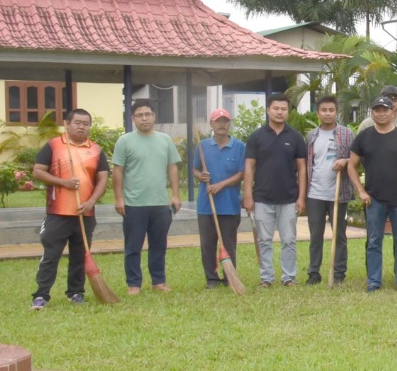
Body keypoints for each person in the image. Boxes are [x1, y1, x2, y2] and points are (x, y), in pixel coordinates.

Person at [28, 107, 109, 308]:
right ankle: (41, 295)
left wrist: (91, 202)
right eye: (77, 123)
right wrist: (62, 182)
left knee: (80, 255)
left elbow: (102, 180)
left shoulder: (96, 150)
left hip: (85, 212)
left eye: (86, 124)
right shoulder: (54, 146)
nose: (82, 127)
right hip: (58, 213)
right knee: (51, 255)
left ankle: (75, 293)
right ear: (67, 124)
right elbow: (38, 171)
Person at [347, 93, 397, 293]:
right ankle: (374, 281)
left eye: (385, 109)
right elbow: (352, 166)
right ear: (372, 113)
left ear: (393, 113)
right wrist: (360, 191)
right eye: (377, 110)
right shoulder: (364, 136)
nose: (381, 113)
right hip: (374, 199)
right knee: (374, 241)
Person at [112, 100, 181, 294]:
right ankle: (134, 284)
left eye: (148, 114)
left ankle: (158, 281)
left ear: (154, 116)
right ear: (133, 118)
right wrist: (119, 198)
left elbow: (172, 167)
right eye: (140, 115)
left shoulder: (165, 139)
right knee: (133, 246)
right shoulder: (124, 141)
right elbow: (117, 171)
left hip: (160, 202)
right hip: (134, 203)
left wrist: (175, 194)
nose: (144, 118)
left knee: (159, 245)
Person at [243, 93, 308, 288]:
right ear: (268, 110)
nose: (280, 112)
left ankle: (289, 277)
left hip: (289, 198)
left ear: (287, 112)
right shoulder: (256, 137)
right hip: (262, 198)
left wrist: (301, 197)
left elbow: (303, 169)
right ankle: (267, 278)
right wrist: (248, 195)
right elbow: (249, 168)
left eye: (283, 109)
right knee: (264, 240)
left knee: (289, 240)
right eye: (276, 108)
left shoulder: (295, 137)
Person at [303, 96, 354, 285]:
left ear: (336, 112)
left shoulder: (347, 134)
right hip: (315, 193)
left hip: (338, 194)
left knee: (339, 235)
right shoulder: (311, 136)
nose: (327, 113)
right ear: (318, 113)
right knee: (315, 235)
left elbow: (357, 159)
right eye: (324, 110)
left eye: (331, 110)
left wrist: (346, 161)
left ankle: (339, 273)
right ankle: (313, 272)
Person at [192, 108, 245, 288]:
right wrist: (201, 176)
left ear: (229, 124)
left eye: (225, 121)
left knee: (229, 243)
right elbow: (194, 169)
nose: (222, 125)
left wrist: (220, 185)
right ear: (211, 124)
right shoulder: (202, 146)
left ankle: (229, 277)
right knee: (207, 244)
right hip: (207, 205)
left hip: (230, 205)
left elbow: (241, 174)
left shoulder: (239, 146)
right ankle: (212, 279)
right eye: (218, 121)